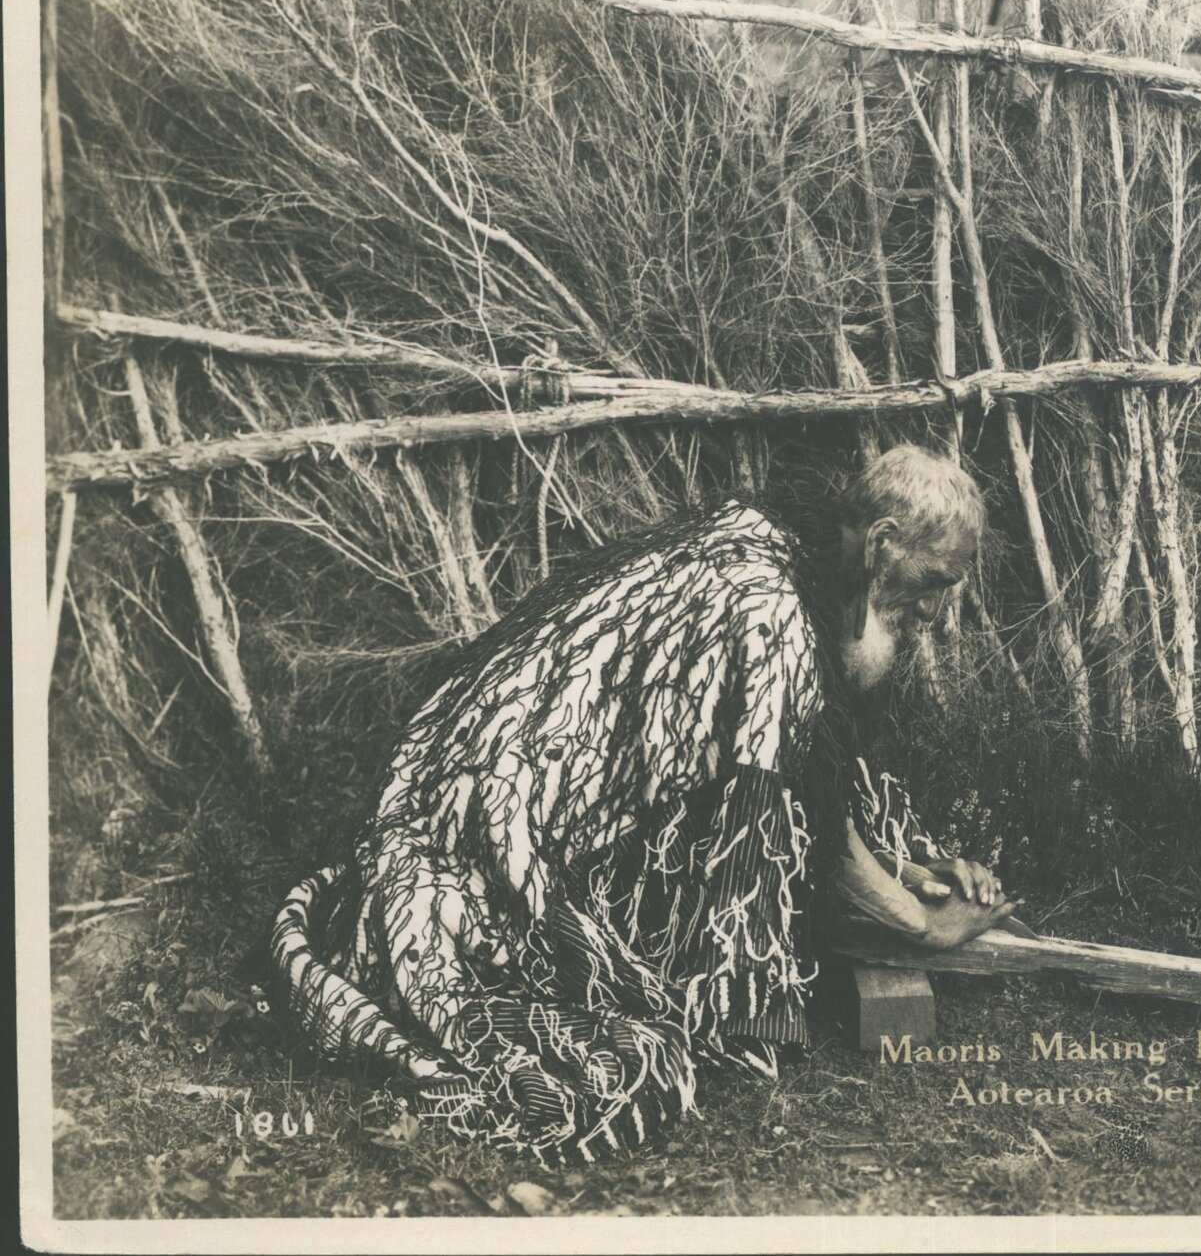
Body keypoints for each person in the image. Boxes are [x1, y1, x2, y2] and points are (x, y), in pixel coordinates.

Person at [273, 445, 1016, 1161]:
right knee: (579, 1000)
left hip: (523, 777)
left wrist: (910, 865)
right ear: (884, 543)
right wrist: (923, 925)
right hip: (508, 807)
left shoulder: (782, 543)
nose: (936, 605)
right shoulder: (771, 613)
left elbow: (811, 768)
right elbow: (804, 821)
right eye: (936, 577)